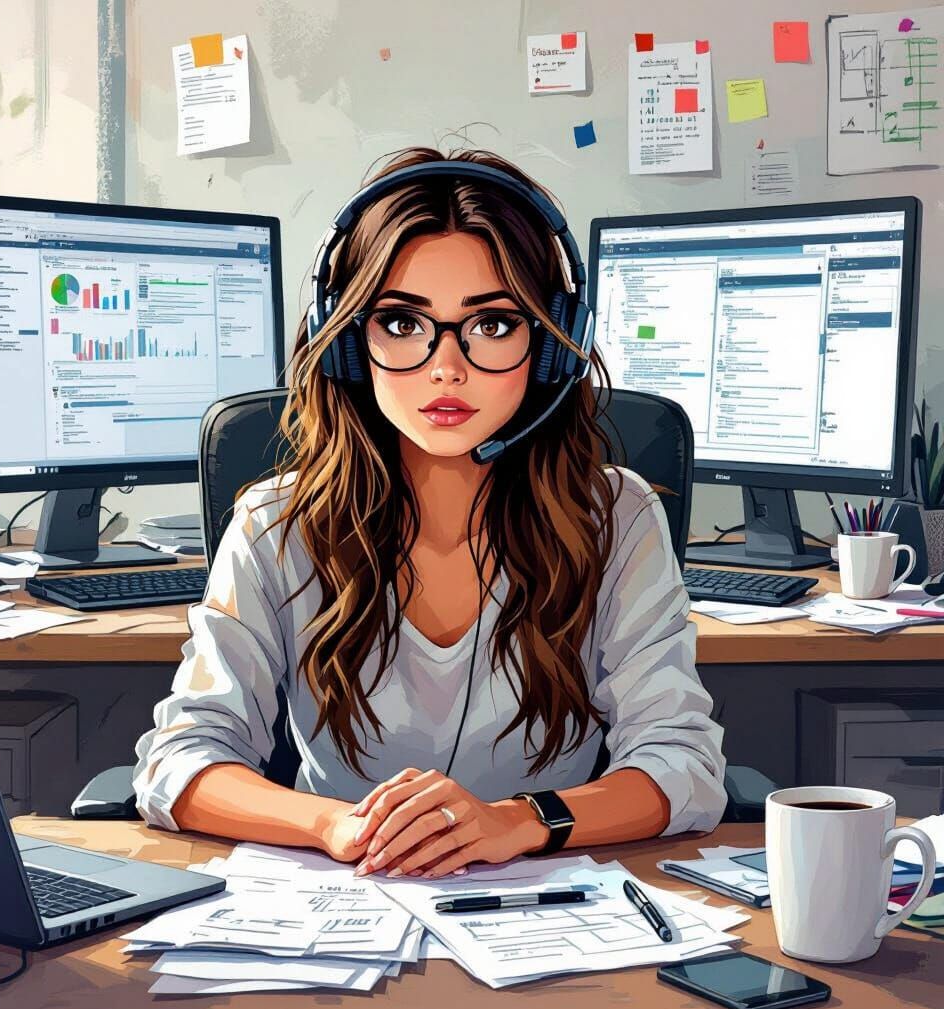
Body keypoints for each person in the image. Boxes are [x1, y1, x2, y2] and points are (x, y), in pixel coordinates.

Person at [132, 146, 726, 882]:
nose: (448, 367)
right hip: (343, 909)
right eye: (404, 324)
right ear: (352, 343)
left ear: (549, 346)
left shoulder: (615, 517)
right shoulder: (274, 526)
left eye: (494, 325)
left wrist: (515, 821)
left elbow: (685, 767)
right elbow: (181, 762)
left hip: (545, 912)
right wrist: (335, 825)